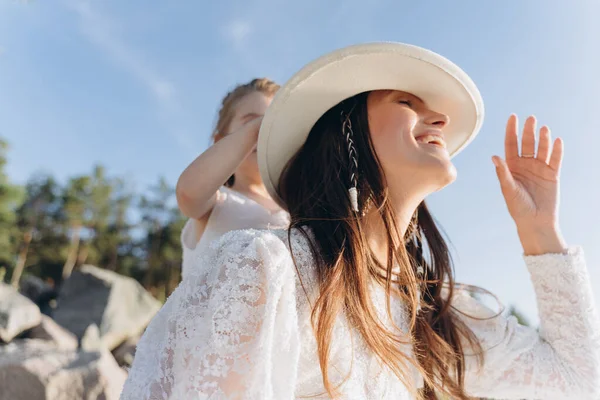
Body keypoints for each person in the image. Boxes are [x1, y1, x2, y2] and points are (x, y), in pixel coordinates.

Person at [121, 43, 600, 399]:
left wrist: (540, 232)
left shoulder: (435, 314)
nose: (439, 120)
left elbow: (578, 380)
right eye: (408, 103)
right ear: (346, 132)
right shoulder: (265, 267)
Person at [175, 78, 289, 280]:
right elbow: (188, 194)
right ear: (221, 141)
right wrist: (258, 128)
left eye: (275, 124)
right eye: (252, 122)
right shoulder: (218, 202)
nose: (266, 134)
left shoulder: (298, 208)